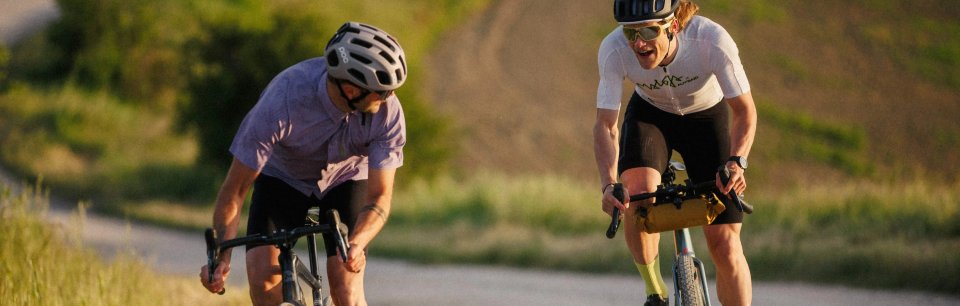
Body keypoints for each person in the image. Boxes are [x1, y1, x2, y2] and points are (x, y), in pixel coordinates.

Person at [199, 21, 408, 306]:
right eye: (381, 91)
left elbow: (380, 196)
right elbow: (234, 192)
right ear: (350, 88)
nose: (389, 98)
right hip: (284, 176)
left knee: (346, 288)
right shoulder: (283, 100)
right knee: (263, 283)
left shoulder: (388, 113)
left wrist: (356, 243)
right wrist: (221, 258)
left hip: (347, 177)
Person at [594, 0, 756, 305]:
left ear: (674, 26)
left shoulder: (711, 40)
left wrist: (737, 163)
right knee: (636, 198)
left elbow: (745, 112)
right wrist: (607, 183)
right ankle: (655, 292)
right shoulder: (613, 49)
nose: (638, 43)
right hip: (651, 116)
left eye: (648, 31)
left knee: (725, 245)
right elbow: (605, 126)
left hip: (707, 118)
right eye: (630, 33)